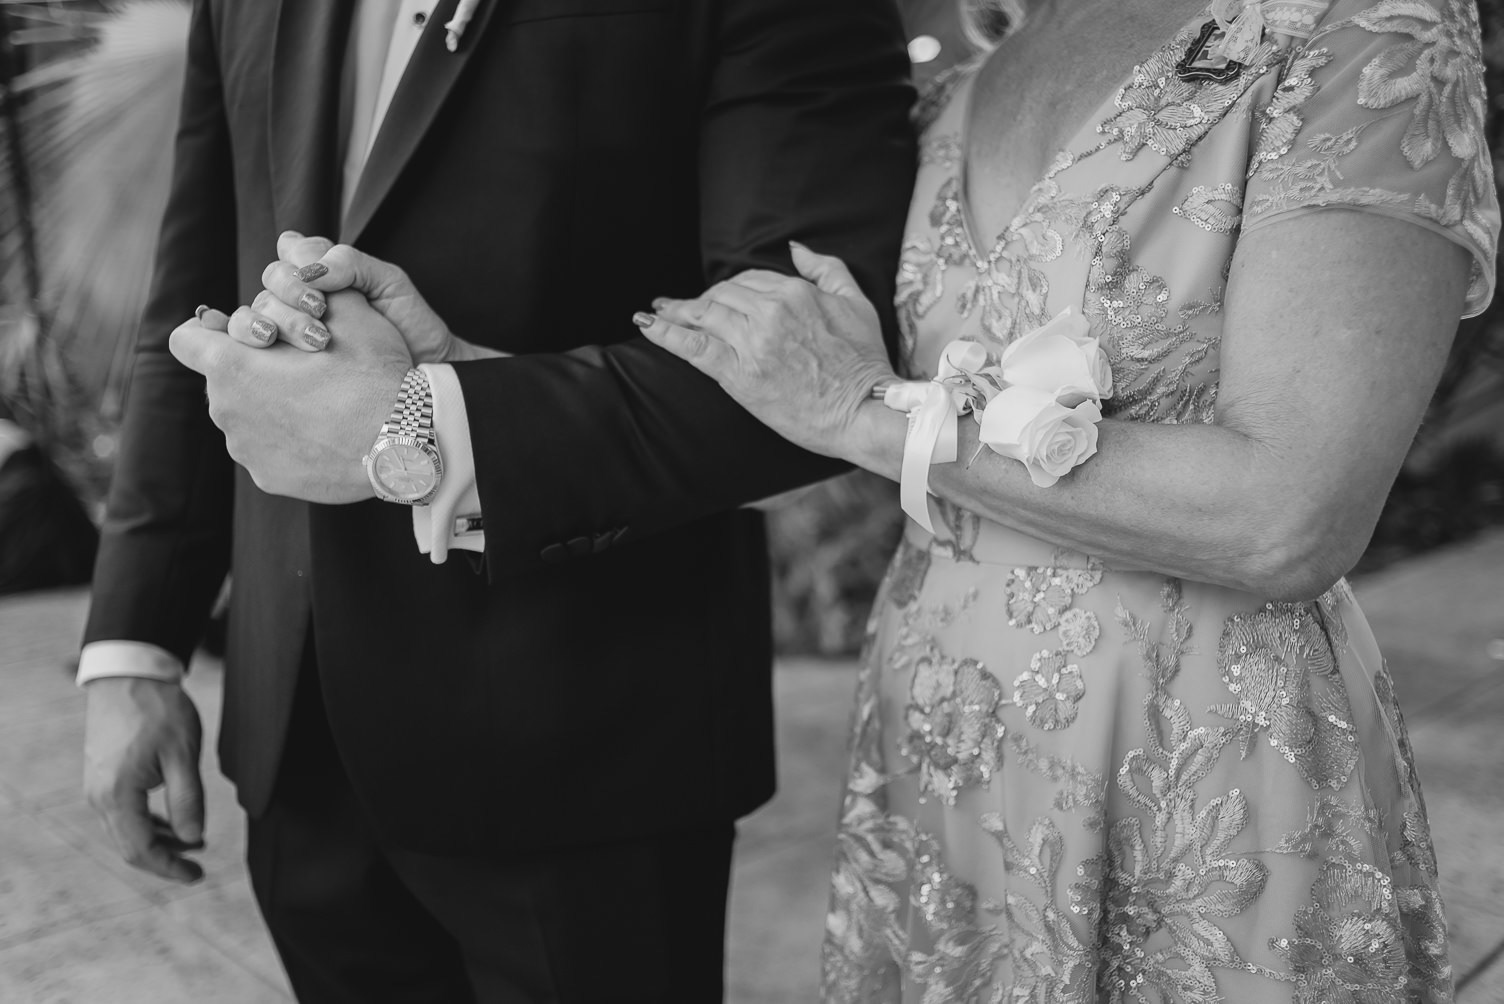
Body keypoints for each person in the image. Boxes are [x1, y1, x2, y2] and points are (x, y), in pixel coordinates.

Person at [624, 0, 1496, 998]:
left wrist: (868, 416)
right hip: (941, 731)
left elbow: (1288, 516)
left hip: (1189, 745)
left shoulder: (1358, 31)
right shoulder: (967, 74)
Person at [77, 1, 916, 1000]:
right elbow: (192, 299)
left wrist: (418, 427)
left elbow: (817, 370)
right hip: (297, 738)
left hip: (586, 738)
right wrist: (134, 647)